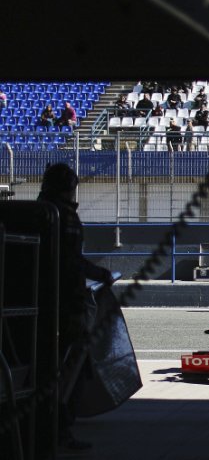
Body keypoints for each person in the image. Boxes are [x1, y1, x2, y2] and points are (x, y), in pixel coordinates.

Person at [37, 163, 114, 452]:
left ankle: (44, 427)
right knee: (71, 369)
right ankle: (60, 429)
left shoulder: (38, 212)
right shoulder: (63, 217)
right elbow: (71, 262)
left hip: (40, 304)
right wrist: (101, 275)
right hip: (66, 304)